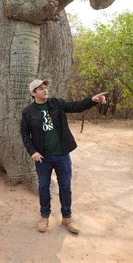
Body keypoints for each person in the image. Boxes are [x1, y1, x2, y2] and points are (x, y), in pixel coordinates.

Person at [20, 79, 107, 234]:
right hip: (43, 158)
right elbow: (25, 134)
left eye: (45, 87)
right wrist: (33, 151)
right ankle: (44, 216)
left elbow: (76, 106)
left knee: (65, 187)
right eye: (40, 89)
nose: (45, 90)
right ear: (33, 93)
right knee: (43, 187)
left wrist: (92, 100)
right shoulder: (28, 112)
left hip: (62, 155)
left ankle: (67, 217)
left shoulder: (56, 103)